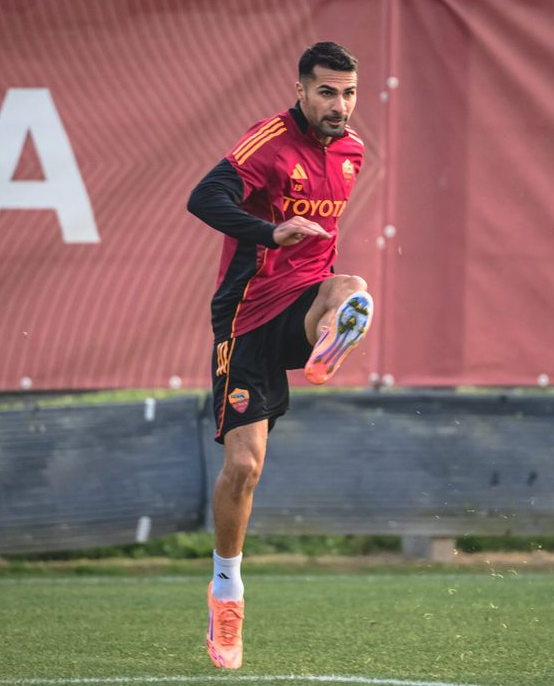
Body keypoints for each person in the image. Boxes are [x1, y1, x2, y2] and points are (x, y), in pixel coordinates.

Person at [186, 41, 372, 670]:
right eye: (327, 92)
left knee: (352, 288)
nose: (339, 105)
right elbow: (203, 198)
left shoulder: (353, 153)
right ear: (300, 90)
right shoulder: (268, 142)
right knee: (246, 468)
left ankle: (328, 346)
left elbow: (323, 247)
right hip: (246, 318)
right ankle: (226, 591)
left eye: (348, 92)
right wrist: (270, 231)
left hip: (302, 303)